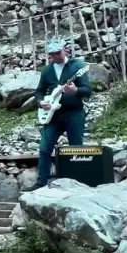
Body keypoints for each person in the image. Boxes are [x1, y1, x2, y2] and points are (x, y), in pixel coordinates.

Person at [30, 39, 92, 191]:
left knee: (76, 149)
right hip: (53, 116)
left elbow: (88, 91)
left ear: (65, 50)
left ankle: (78, 183)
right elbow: (39, 91)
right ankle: (41, 183)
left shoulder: (77, 67)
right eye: (52, 54)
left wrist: (76, 91)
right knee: (45, 148)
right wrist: (40, 102)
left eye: (58, 53)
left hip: (74, 113)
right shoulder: (47, 71)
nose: (55, 56)